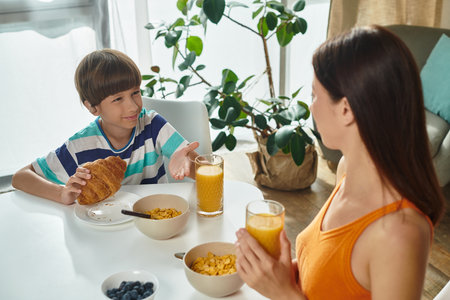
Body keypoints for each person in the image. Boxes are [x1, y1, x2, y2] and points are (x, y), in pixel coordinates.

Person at [235, 25, 445, 300]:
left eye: (314, 95)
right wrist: (278, 273)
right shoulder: (348, 170)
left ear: (345, 109)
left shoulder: (399, 234)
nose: (311, 106)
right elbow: (332, 279)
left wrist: (284, 293)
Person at [12, 49, 199, 205]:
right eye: (118, 99)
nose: (133, 106)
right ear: (92, 107)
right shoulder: (80, 146)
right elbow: (20, 177)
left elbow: (206, 169)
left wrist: (190, 165)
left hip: (155, 220)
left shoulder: (153, 126)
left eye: (135, 93)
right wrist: (61, 193)